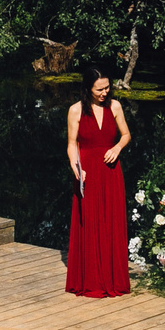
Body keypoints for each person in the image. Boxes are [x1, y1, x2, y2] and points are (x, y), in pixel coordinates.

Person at [64, 67, 132, 297]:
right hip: (87, 173)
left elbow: (126, 135)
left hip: (111, 171)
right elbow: (72, 144)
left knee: (111, 221)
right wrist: (76, 168)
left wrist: (117, 147)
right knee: (90, 222)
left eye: (107, 87)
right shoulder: (75, 111)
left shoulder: (115, 106)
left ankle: (113, 278)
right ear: (88, 89)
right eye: (99, 89)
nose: (105, 92)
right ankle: (92, 278)